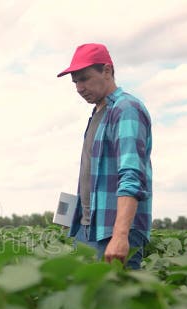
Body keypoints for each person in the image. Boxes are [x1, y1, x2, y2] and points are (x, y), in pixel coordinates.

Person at [57, 43, 152, 269]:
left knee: (116, 301)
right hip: (88, 228)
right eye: (75, 82)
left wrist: (121, 236)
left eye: (85, 79)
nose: (79, 87)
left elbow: (131, 174)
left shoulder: (126, 109)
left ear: (107, 71)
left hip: (112, 232)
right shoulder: (99, 112)